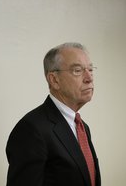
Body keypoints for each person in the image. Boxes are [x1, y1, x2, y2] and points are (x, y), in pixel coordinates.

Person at [6, 43, 101, 186]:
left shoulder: (82, 127)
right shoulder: (31, 129)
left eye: (90, 69)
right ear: (54, 80)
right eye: (77, 70)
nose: (89, 78)